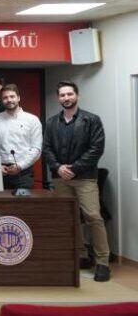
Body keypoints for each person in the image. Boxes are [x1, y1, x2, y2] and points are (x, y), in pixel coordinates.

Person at [43, 81, 110, 282]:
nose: (66, 98)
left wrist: (75, 168)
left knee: (93, 217)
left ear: (77, 96)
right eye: (62, 95)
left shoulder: (91, 120)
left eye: (69, 94)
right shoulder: (51, 122)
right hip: (60, 178)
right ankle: (81, 256)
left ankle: (102, 262)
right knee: (69, 218)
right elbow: (46, 148)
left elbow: (96, 148)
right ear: (58, 98)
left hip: (85, 177)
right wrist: (58, 167)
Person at [0, 84, 42, 190]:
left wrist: (20, 166)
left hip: (23, 171)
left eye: (12, 96)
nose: (9, 100)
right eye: (5, 97)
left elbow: (36, 148)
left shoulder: (32, 120)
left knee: (23, 201)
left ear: (18, 98)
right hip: (0, 170)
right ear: (2, 100)